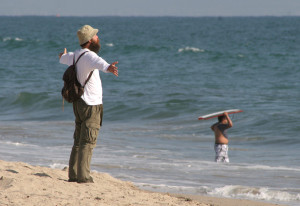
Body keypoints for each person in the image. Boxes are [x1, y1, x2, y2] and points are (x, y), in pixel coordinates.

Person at [59, 25, 118, 183]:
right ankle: (83, 176)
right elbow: (101, 64)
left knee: (78, 139)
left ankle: (73, 174)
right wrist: (109, 68)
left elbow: (63, 58)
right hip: (91, 104)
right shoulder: (90, 56)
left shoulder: (75, 55)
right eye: (96, 36)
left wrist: (62, 55)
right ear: (90, 41)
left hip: (78, 103)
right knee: (88, 140)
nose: (98, 38)